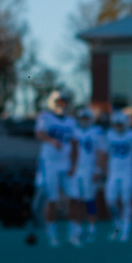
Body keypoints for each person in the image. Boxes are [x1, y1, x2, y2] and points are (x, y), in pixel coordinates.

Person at [31, 91, 75, 247]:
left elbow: (75, 143)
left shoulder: (71, 121)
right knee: (51, 199)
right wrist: (52, 141)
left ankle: (73, 234)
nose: (62, 105)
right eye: (59, 101)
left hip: (66, 164)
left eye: (64, 101)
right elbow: (39, 133)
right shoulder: (45, 117)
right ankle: (52, 236)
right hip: (50, 163)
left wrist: (74, 164)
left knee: (72, 199)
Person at [105, 108, 132, 241]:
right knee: (110, 201)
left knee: (126, 201)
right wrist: (103, 170)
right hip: (113, 172)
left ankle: (125, 230)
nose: (118, 126)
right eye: (116, 124)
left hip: (128, 172)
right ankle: (117, 225)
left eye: (120, 124)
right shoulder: (109, 135)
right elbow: (104, 154)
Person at [67, 107, 105, 247]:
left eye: (86, 118)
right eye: (82, 118)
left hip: (90, 169)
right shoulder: (74, 131)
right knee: (75, 199)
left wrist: (98, 169)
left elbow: (101, 152)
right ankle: (77, 229)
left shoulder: (97, 132)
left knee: (89, 200)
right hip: (77, 170)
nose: (84, 120)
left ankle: (91, 228)